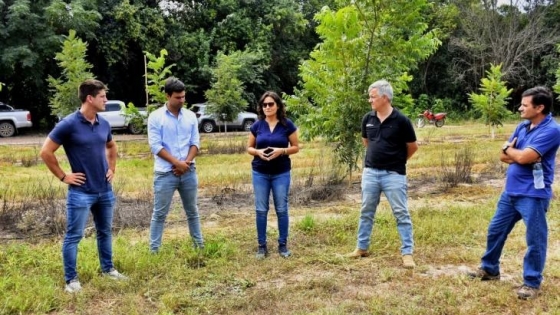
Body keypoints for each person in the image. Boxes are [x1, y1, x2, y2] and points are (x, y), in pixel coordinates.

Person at [468, 86, 560, 300]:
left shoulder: (552, 130)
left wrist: (514, 152)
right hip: (511, 191)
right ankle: (490, 269)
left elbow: (522, 157)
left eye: (524, 105)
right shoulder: (523, 126)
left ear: (540, 107)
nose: (520, 108)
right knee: (495, 231)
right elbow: (504, 156)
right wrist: (516, 153)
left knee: (535, 239)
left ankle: (531, 282)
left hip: (533, 194)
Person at [40, 79, 127, 293]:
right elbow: (45, 152)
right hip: (81, 193)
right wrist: (63, 176)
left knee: (105, 232)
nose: (106, 99)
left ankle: (108, 269)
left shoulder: (103, 123)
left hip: (104, 190)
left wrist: (112, 168)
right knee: (73, 236)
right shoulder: (68, 124)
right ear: (90, 98)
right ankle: (71, 281)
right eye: (102, 96)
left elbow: (111, 145)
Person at [346, 80, 419, 269]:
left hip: (394, 174)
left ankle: (407, 253)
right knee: (366, 211)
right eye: (370, 96)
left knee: (401, 212)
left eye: (373, 96)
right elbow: (367, 142)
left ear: (385, 98)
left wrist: (397, 161)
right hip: (370, 173)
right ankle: (362, 247)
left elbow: (412, 147)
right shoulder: (367, 119)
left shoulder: (401, 121)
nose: (370, 100)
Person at [148, 77, 204, 253]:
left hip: (188, 171)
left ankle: (199, 246)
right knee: (159, 214)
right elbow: (156, 146)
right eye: (178, 97)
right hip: (165, 173)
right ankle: (154, 251)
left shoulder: (190, 116)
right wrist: (177, 163)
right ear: (167, 96)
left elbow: (195, 142)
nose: (182, 100)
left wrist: (185, 163)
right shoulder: (156, 117)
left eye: (183, 97)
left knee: (192, 211)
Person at [247, 91, 299, 259]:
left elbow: (296, 146)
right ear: (261, 107)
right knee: (261, 210)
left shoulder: (287, 125)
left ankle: (282, 245)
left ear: (277, 105)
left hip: (281, 172)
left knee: (282, 209)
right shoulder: (257, 125)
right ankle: (262, 246)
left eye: (271, 104)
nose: (268, 107)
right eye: (264, 105)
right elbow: (249, 148)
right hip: (260, 172)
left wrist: (282, 151)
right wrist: (258, 152)